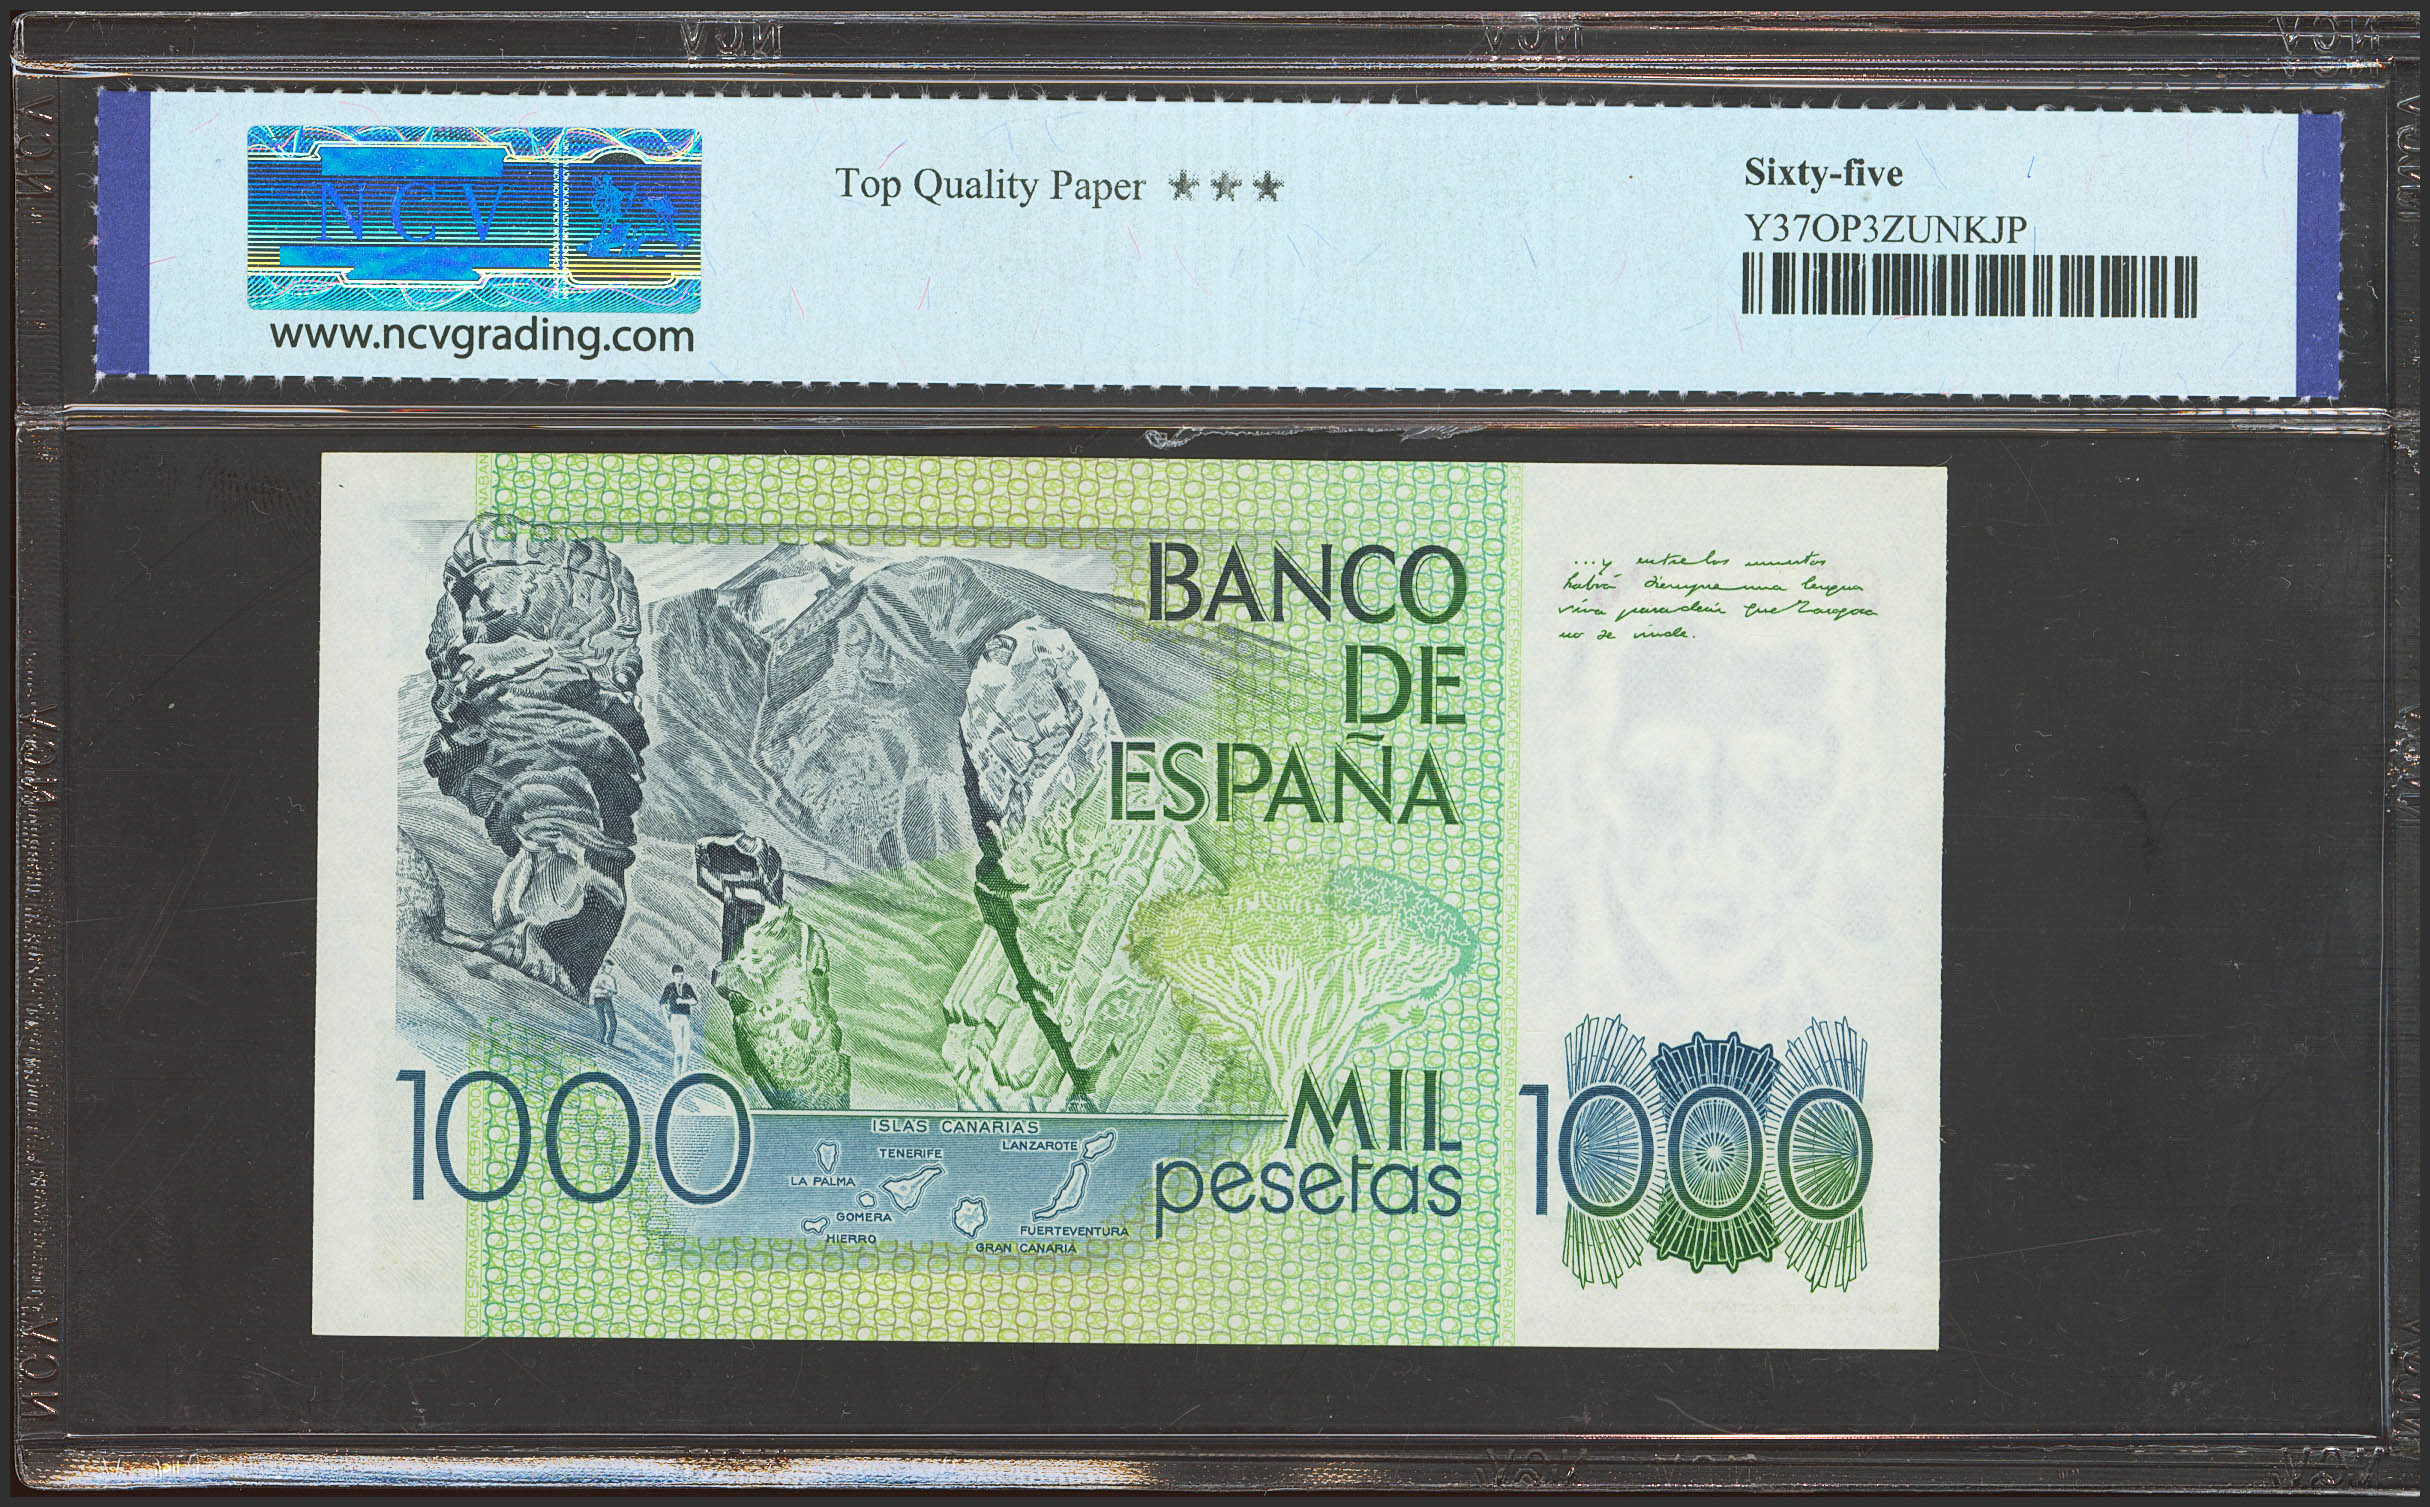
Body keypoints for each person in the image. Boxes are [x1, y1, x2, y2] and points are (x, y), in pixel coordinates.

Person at [660, 963, 700, 1075]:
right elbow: (662, 1004)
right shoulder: (669, 987)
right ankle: (676, 1074)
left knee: (687, 1048)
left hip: (685, 1018)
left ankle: (684, 1073)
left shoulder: (687, 987)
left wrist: (683, 1001)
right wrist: (667, 1021)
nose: (680, 978)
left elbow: (694, 1001)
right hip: (675, 1018)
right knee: (679, 1049)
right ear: (673, 976)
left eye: (682, 975)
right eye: (677, 976)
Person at [590, 958, 621, 1048]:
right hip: (598, 999)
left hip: (608, 1000)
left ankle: (609, 1041)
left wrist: (609, 989)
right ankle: (600, 1039)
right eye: (608, 968)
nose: (610, 970)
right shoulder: (598, 977)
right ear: (604, 967)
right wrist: (603, 990)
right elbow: (592, 989)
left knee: (613, 1022)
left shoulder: (611, 978)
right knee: (602, 1022)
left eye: (611, 969)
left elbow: (615, 991)